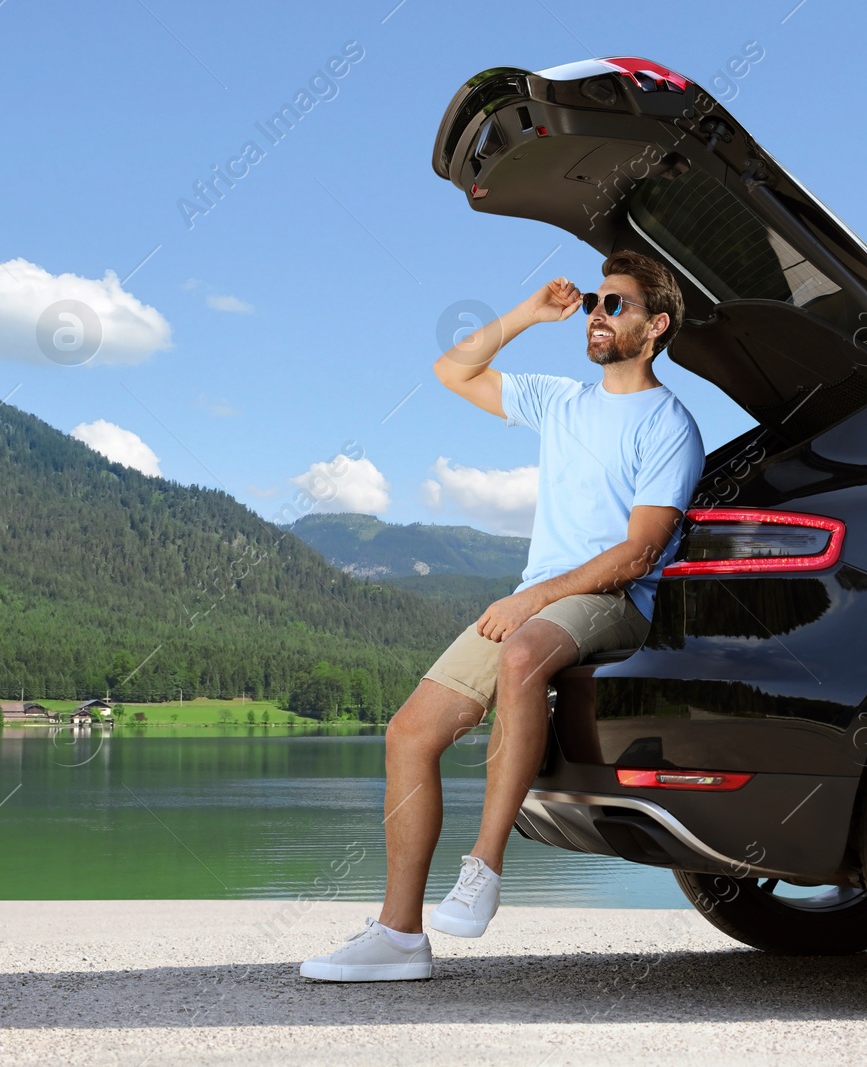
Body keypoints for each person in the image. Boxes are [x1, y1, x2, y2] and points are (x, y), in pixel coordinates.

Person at [301, 250, 704, 981]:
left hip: (610, 601)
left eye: (615, 304)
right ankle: (398, 936)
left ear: (656, 325)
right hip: (539, 597)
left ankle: (483, 869)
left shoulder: (669, 422)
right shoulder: (561, 401)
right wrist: (526, 315)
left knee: (520, 654)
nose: (596, 314)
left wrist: (533, 599)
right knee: (409, 732)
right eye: (591, 302)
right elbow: (452, 371)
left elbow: (641, 552)